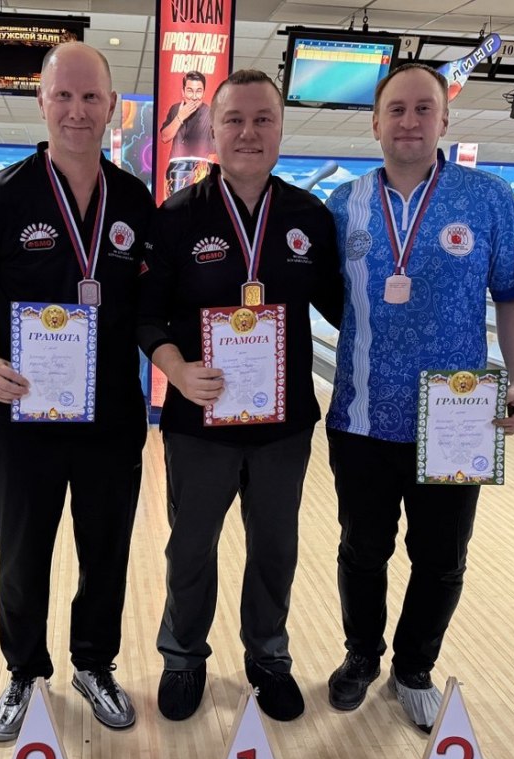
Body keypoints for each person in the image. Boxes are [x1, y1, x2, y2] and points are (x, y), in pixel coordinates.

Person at [0, 42, 154, 742]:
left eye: (90, 97)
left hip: (111, 421)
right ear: (41, 102)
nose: (77, 110)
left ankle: (93, 665)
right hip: (23, 418)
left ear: (111, 106)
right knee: (22, 555)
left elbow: (152, 303)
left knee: (105, 555)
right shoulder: (2, 198)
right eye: (63, 95)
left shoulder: (133, 199)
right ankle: (24, 673)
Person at [323, 63, 514, 731]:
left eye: (423, 109)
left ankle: (413, 667)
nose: (409, 121)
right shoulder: (344, 203)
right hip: (361, 413)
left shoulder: (487, 198)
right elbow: (329, 300)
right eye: (396, 109)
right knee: (363, 549)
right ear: (375, 123)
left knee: (441, 557)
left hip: (457, 416)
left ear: (444, 120)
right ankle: (361, 655)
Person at [139, 69, 343, 723]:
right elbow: (145, 315)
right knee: (190, 547)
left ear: (280, 129)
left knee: (275, 548)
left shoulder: (309, 218)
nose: (248, 132)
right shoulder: (177, 217)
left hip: (283, 425)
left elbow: (346, 310)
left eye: (262, 119)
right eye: (234, 119)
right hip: (199, 420)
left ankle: (268, 657)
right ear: (214, 129)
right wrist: (176, 368)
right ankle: (183, 656)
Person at [159, 71, 214, 200]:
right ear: (183, 92)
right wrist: (180, 116)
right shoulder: (175, 109)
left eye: (198, 91)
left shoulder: (210, 113)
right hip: (177, 170)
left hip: (201, 170)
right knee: (174, 209)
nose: (194, 97)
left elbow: (217, 148)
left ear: (203, 93)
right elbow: (165, 137)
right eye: (190, 91)